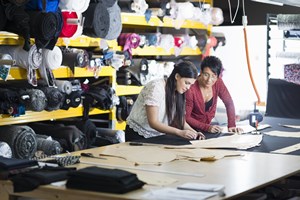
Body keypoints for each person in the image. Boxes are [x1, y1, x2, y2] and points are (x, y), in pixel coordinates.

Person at [125, 61, 205, 141]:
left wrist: (194, 133)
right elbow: (153, 122)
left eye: (191, 84)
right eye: (187, 83)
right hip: (137, 134)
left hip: (157, 135)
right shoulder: (156, 88)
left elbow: (180, 120)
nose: (188, 87)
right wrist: (179, 132)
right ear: (177, 76)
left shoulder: (179, 92)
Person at [186, 56, 243, 134]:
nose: (209, 80)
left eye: (213, 76)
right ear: (201, 72)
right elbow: (186, 117)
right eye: (206, 75)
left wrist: (231, 125)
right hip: (188, 130)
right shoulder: (191, 87)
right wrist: (207, 127)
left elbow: (229, 102)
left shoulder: (218, 83)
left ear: (218, 76)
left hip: (206, 130)